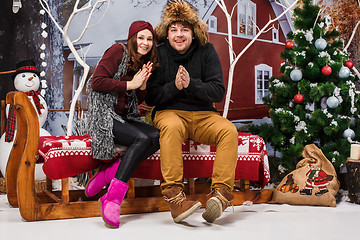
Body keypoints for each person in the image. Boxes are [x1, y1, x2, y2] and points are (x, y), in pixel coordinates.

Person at [146, 0, 238, 223]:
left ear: (193, 33)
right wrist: (174, 87)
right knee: (173, 126)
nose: (179, 34)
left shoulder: (207, 51)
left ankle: (221, 195)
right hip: (170, 113)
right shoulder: (158, 54)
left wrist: (191, 84)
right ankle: (175, 197)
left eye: (184, 29)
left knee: (229, 131)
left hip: (203, 115)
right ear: (167, 34)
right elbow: (151, 97)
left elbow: (217, 92)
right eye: (174, 30)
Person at [85, 21, 160, 228]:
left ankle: (109, 173)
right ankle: (113, 199)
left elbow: (137, 97)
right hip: (105, 116)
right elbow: (97, 82)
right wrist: (131, 84)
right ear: (132, 37)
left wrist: (142, 85)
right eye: (141, 37)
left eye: (149, 39)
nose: (145, 43)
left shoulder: (142, 63)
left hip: (126, 117)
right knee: (143, 138)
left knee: (156, 135)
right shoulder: (118, 50)